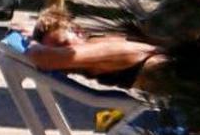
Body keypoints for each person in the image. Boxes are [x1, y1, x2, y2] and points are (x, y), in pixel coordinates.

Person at [23, 10, 163, 90]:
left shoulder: (101, 50)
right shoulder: (102, 40)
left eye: (63, 43)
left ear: (78, 32)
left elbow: (43, 57)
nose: (60, 52)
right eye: (54, 49)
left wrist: (32, 42)